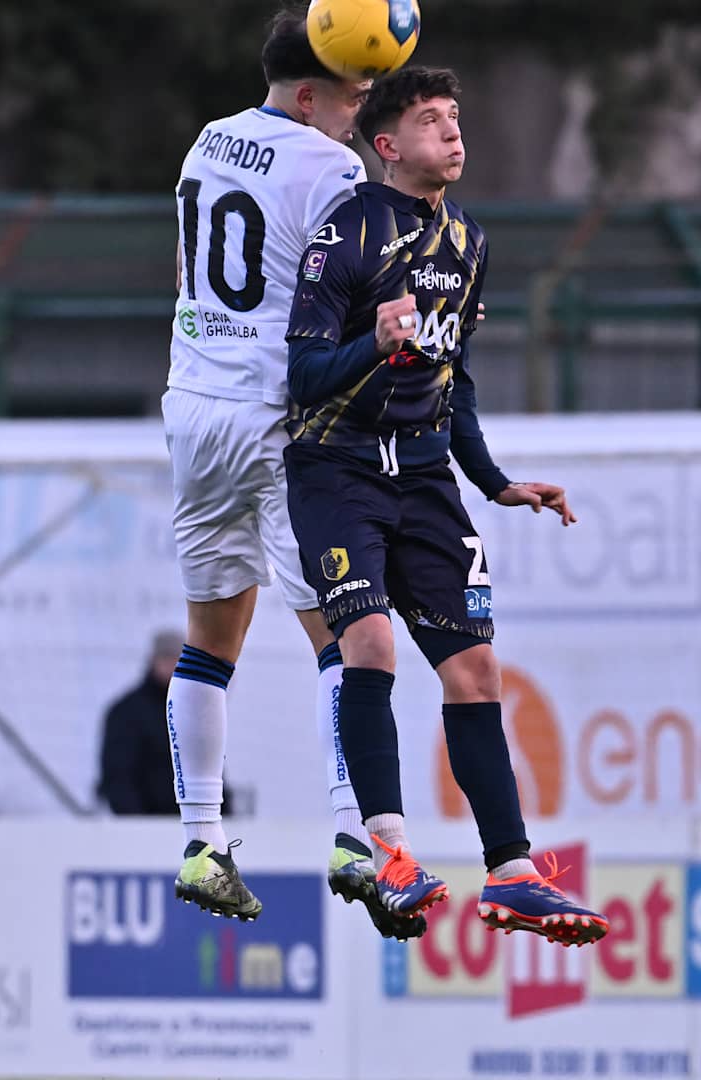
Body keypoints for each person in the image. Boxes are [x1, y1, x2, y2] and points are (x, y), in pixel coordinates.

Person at [282, 66, 609, 946]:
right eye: (432, 120)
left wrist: (495, 480)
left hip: (426, 480)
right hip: (337, 471)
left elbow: (453, 380)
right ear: (387, 145)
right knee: (371, 643)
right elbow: (302, 375)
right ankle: (388, 852)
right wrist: (372, 343)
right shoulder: (345, 233)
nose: (454, 132)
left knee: (476, 671)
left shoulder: (468, 241)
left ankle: (512, 874)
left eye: (456, 117)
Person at [161, 9, 423, 940]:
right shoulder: (332, 169)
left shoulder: (209, 139)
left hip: (195, 405)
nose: (361, 109)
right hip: (275, 417)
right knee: (346, 638)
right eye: (352, 93)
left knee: (208, 644)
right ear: (309, 95)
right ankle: (356, 837)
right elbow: (349, 303)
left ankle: (201, 841)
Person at [97, 631, 185, 816]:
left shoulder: (192, 711)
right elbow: (118, 776)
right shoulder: (126, 712)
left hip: (191, 821)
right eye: (167, 658)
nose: (173, 665)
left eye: (178, 660)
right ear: (153, 661)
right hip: (145, 823)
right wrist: (137, 823)